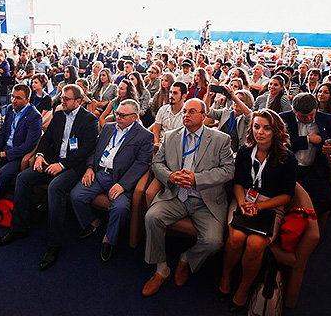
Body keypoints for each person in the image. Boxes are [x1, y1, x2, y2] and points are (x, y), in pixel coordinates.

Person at [0, 84, 99, 271]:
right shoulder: (59, 114)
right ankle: (18, 227)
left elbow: (86, 150)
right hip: (53, 160)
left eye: (66, 99)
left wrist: (62, 165)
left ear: (78, 102)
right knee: (23, 178)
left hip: (74, 166)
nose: (61, 101)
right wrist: (40, 155)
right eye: (61, 97)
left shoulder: (90, 120)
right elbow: (47, 138)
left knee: (55, 188)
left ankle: (54, 244)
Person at [142, 98, 234, 296]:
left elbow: (228, 171)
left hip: (204, 200)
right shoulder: (170, 136)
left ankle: (187, 258)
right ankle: (161, 268)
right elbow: (157, 164)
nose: (186, 115)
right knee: (151, 217)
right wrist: (170, 176)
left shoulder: (220, 139)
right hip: (176, 195)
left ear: (204, 115)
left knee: (213, 242)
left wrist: (196, 179)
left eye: (192, 111)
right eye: (184, 111)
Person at [219, 109, 297, 311]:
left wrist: (259, 206)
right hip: (244, 198)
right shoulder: (245, 152)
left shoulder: (287, 158)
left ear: (276, 131)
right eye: (256, 127)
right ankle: (226, 275)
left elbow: (286, 196)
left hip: (271, 205)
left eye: (266, 128)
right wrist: (242, 203)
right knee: (236, 238)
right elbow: (238, 183)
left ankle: (244, 288)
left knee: (255, 244)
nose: (260, 132)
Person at [70, 99, 153, 262]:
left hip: (120, 179)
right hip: (100, 173)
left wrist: (123, 185)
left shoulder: (145, 136)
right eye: (117, 114)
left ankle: (109, 239)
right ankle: (93, 221)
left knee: (120, 208)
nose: (118, 117)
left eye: (122, 115)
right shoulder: (108, 128)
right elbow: (94, 150)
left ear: (135, 117)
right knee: (76, 196)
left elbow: (142, 163)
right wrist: (89, 167)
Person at [280, 93, 331, 215]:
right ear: (294, 111)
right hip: (287, 167)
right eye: (303, 116)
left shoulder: (328, 120)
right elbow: (280, 143)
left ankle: (305, 218)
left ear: (315, 109)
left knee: (327, 201)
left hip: (313, 169)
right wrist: (307, 140)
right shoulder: (283, 118)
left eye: (311, 115)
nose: (308, 119)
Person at [205, 86, 254, 152]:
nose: (236, 102)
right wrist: (208, 95)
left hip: (236, 152)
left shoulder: (246, 118)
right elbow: (207, 112)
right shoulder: (225, 112)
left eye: (241, 100)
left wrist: (235, 98)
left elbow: (250, 116)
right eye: (234, 100)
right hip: (219, 148)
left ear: (248, 103)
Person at [152, 81, 187, 153]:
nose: (171, 96)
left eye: (175, 93)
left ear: (184, 96)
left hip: (177, 147)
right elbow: (156, 128)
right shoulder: (163, 109)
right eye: (170, 92)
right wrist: (156, 142)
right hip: (161, 145)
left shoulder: (186, 114)